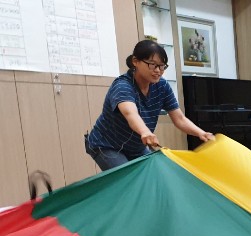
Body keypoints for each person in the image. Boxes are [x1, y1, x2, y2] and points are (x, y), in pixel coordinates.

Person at [86, 40, 215, 171]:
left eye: (162, 66)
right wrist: (145, 132)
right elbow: (130, 113)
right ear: (135, 61)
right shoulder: (122, 86)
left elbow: (179, 118)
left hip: (136, 147)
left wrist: (201, 133)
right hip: (107, 145)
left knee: (156, 174)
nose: (158, 71)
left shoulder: (162, 86)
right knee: (129, 179)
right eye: (152, 65)